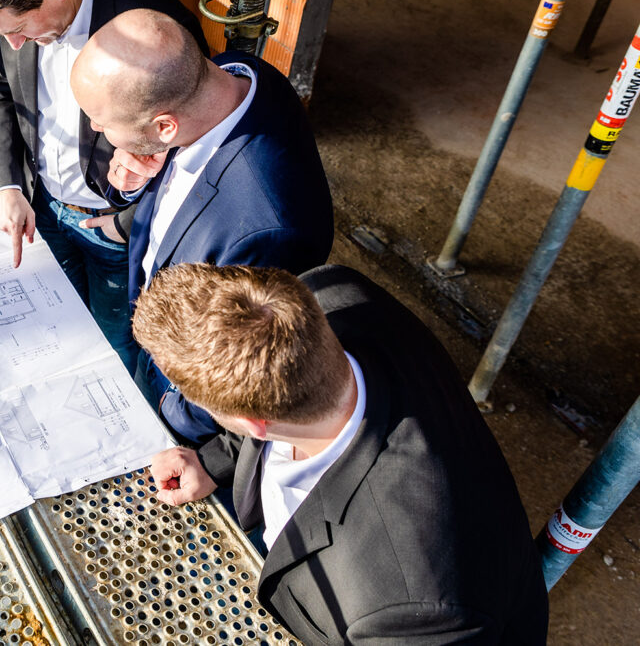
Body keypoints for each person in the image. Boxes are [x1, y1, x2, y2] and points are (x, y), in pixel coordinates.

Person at [135, 263, 550, 644]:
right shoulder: (322, 296)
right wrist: (210, 463)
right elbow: (272, 391)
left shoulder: (410, 608)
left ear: (252, 422)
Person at [0, 0, 207, 373]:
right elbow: (0, 90)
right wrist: (7, 186)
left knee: (117, 349)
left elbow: (189, 140)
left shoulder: (155, 21)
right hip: (43, 212)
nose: (12, 44)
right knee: (60, 336)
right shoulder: (11, 16)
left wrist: (127, 223)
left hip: (112, 227)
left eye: (19, 29)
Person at [70, 9, 332, 436]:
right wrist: (137, 182)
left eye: (102, 120)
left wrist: (174, 415)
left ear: (165, 126)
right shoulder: (231, 76)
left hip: (179, 383)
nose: (95, 127)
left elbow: (236, 373)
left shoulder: (267, 230)